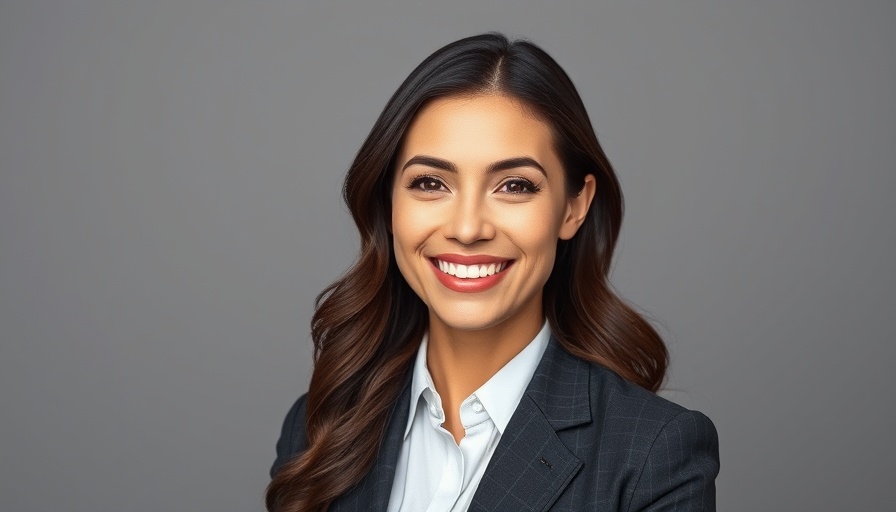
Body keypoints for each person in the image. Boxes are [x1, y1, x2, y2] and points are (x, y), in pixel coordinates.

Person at [267, 33, 719, 512]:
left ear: (573, 207)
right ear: (389, 202)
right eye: (430, 183)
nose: (467, 229)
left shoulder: (653, 456)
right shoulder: (319, 427)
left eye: (514, 186)